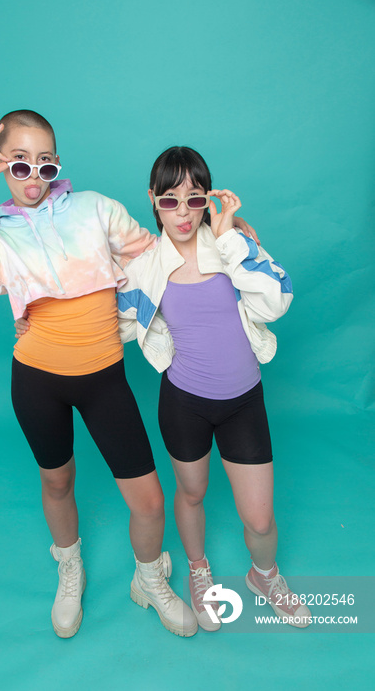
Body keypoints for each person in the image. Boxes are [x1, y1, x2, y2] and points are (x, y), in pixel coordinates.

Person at [0, 113, 207, 638]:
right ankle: (69, 568)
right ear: (2, 165)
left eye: (44, 163)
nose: (33, 176)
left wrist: (222, 236)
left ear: (57, 164)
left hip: (105, 379)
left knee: (149, 500)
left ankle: (148, 578)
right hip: (36, 380)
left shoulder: (97, 209)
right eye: (19, 164)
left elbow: (160, 255)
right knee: (58, 479)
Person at [116, 146, 311, 630]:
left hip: (244, 402)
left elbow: (276, 301)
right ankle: (199, 572)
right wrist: (35, 318)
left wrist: (231, 240)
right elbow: (108, 323)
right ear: (153, 200)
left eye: (194, 198)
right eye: (170, 200)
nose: (183, 212)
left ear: (208, 199)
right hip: (185, 403)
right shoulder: (144, 266)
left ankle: (264, 575)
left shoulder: (233, 244)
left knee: (261, 521)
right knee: (193, 493)